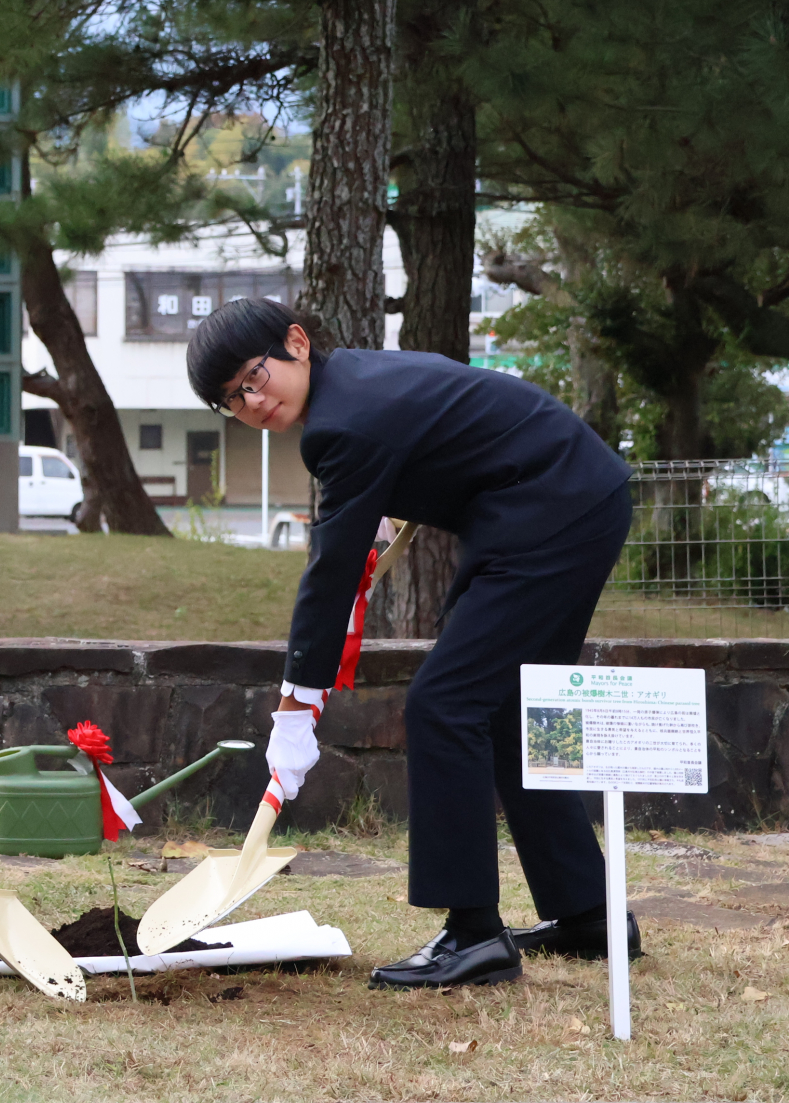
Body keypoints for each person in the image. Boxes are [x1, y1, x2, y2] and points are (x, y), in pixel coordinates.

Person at [185, 298, 640, 990]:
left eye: (253, 377)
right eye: (232, 399)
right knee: (505, 708)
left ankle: (474, 935)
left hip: (551, 510)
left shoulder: (343, 421)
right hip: (553, 503)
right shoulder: (355, 386)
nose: (252, 402)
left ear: (296, 343)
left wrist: (294, 705)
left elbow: (330, 573)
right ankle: (588, 914)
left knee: (445, 703)